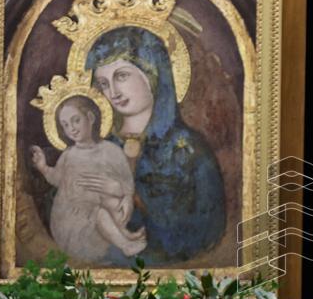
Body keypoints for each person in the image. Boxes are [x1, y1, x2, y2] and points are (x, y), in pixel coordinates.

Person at [85, 26, 226, 265]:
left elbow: (208, 228)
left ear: (153, 73)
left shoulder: (189, 150)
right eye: (103, 83)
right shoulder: (98, 147)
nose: (113, 92)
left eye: (121, 76)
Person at [30, 95, 147, 262]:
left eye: (76, 120)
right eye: (65, 125)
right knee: (99, 212)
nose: (72, 129)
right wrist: (43, 167)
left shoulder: (111, 151)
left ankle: (125, 233)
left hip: (100, 211)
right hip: (71, 219)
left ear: (91, 118)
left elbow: (126, 180)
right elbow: (57, 179)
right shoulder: (69, 155)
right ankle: (125, 244)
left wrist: (126, 196)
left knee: (112, 202)